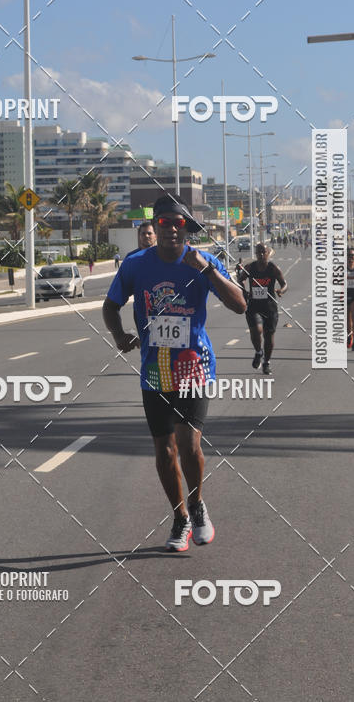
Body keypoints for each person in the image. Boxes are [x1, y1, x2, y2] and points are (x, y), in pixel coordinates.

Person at [102, 196, 246, 552]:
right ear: (155, 227)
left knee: (188, 444)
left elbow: (240, 304)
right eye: (162, 223)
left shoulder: (202, 261)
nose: (168, 229)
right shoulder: (136, 265)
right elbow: (110, 305)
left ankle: (197, 506)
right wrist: (119, 335)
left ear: (186, 228)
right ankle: (180, 517)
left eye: (176, 223)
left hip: (194, 364)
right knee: (164, 451)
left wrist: (208, 270)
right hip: (154, 368)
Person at [237, 243, 287, 376]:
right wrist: (244, 291)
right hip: (253, 305)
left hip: (269, 306)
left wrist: (281, 291)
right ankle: (259, 352)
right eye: (258, 252)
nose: (260, 255)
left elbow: (284, 284)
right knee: (256, 331)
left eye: (263, 252)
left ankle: (266, 363)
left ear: (267, 253)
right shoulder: (250, 267)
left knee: (268, 336)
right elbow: (240, 279)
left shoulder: (273, 268)